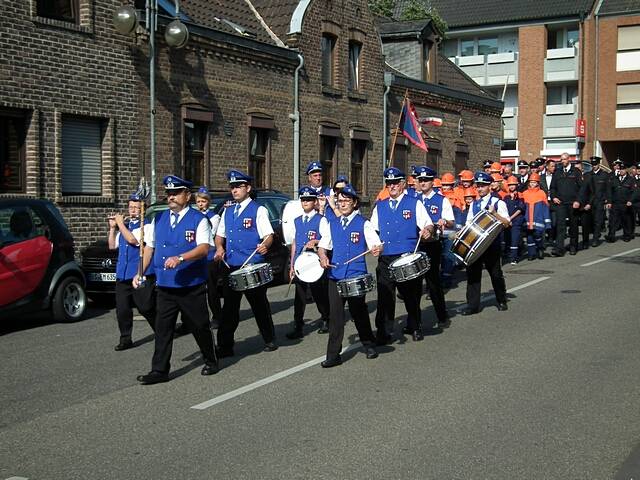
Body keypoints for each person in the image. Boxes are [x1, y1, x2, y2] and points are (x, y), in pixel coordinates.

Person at [133, 175, 218, 385]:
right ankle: (159, 370)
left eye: (176, 193)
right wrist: (140, 272)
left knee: (199, 325)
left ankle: (211, 358)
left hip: (190, 285)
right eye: (169, 193)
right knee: (163, 329)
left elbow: (204, 248)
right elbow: (149, 248)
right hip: (165, 285)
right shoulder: (158, 219)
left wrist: (181, 258)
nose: (171, 197)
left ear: (187, 195)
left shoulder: (198, 219)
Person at [317, 184, 383, 367]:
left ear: (355, 203)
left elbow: (375, 244)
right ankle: (333, 355)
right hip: (335, 276)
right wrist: (322, 256)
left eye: (346, 200)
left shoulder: (363, 223)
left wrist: (377, 249)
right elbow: (323, 246)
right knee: (335, 317)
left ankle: (368, 344)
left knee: (359, 312)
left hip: (355, 276)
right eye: (340, 201)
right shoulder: (332, 223)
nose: (342, 203)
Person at [214, 170, 278, 357]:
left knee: (259, 304)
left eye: (238, 186)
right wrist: (219, 247)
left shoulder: (259, 210)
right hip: (231, 266)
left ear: (248, 188)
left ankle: (269, 337)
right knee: (229, 309)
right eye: (232, 187)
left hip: (251, 265)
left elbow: (268, 235)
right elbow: (220, 236)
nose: (234, 190)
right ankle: (225, 346)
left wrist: (265, 245)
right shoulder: (227, 211)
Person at [370, 167, 435, 344]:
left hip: (407, 256)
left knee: (410, 295)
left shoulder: (414, 203)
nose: (391, 186)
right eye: (388, 183)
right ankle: (384, 331)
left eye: (395, 183)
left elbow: (428, 224)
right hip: (386, 257)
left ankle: (415, 326)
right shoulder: (380, 206)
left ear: (402, 184)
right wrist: (374, 245)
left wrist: (428, 231)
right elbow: (372, 231)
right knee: (385, 297)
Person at [107, 193, 156, 351]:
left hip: (139, 273)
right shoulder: (124, 227)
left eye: (136, 208)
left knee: (145, 307)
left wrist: (120, 224)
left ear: (143, 210)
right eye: (130, 207)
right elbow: (112, 246)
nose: (132, 210)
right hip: (123, 274)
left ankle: (161, 329)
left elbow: (133, 241)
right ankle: (125, 338)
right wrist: (112, 228)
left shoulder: (146, 226)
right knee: (122, 309)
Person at [461, 172, 511, 316]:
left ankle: (501, 300)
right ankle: (472, 306)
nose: (480, 188)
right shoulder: (474, 204)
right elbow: (469, 223)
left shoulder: (498, 202)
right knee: (473, 275)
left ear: (490, 186)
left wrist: (495, 213)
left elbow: (507, 223)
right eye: (478, 186)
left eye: (483, 186)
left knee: (495, 274)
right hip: (476, 245)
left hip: (492, 244)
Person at [285, 186, 331, 339]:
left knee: (319, 293)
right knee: (299, 296)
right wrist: (291, 265)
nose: (305, 202)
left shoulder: (321, 219)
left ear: (315, 201)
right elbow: (295, 244)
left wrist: (316, 241)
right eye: (303, 199)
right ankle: (298, 325)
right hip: (300, 263)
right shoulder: (297, 220)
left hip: (314, 263)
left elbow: (327, 239)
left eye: (309, 199)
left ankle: (326, 318)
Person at [416, 166, 452, 327]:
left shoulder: (441, 199)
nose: (422, 183)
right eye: (420, 180)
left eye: (426, 180)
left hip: (432, 244)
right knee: (414, 284)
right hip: (415, 244)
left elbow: (450, 220)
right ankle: (414, 320)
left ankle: (442, 315)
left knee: (433, 281)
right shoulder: (414, 199)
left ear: (432, 182)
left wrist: (444, 221)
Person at [194, 186, 222, 329]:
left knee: (211, 289)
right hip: (196, 257)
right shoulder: (194, 216)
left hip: (209, 256)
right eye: (198, 201)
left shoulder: (214, 217)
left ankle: (217, 316)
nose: (200, 204)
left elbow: (210, 236)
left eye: (203, 201)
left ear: (208, 202)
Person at [550, 152, 583, 256]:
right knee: (560, 226)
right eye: (561, 159)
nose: (562, 161)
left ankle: (573, 246)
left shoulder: (576, 171)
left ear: (569, 159)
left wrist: (578, 201)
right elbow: (552, 187)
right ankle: (559, 249)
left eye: (564, 159)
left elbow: (582, 188)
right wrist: (554, 197)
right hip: (561, 203)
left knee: (573, 226)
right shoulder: (557, 172)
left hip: (572, 203)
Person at [580, 156, 612, 247]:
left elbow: (608, 189)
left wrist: (609, 201)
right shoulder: (587, 175)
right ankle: (588, 239)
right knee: (588, 221)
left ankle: (595, 239)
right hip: (588, 202)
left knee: (597, 220)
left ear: (599, 165)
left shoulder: (604, 175)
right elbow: (584, 190)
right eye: (592, 164)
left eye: (595, 164)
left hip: (599, 201)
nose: (594, 166)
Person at [521, 173, 551, 260]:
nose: (532, 184)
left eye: (534, 182)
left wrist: (547, 222)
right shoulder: (525, 193)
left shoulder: (541, 193)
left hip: (538, 219)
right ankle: (531, 254)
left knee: (537, 235)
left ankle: (540, 247)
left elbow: (545, 208)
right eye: (531, 182)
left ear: (538, 183)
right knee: (529, 237)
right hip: (527, 219)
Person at [606, 164, 636, 242]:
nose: (621, 171)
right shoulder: (614, 179)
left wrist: (630, 200)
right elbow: (609, 191)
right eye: (620, 169)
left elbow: (634, 192)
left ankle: (627, 235)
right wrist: (609, 201)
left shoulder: (630, 180)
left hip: (625, 204)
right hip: (615, 203)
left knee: (625, 221)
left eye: (623, 169)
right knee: (613, 221)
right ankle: (611, 236)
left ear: (626, 170)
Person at [503, 176, 525, 265]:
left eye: (513, 185)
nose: (512, 186)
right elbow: (503, 209)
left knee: (515, 239)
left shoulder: (520, 195)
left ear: (517, 185)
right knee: (508, 239)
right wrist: (506, 219)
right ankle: (509, 255)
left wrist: (510, 218)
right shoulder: (506, 197)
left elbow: (520, 209)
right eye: (510, 185)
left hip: (516, 221)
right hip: (507, 221)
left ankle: (514, 258)